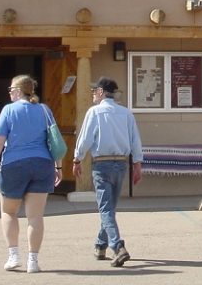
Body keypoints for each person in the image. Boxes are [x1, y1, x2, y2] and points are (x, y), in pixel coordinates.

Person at [0, 74, 63, 273]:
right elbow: (55, 142)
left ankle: (13, 256)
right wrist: (58, 167)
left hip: (14, 164)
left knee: (9, 211)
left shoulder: (9, 110)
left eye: (11, 89)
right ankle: (33, 261)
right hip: (42, 164)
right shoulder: (45, 110)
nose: (10, 93)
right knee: (35, 216)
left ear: (19, 91)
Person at [73, 76, 143, 268]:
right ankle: (100, 245)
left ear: (102, 92)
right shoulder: (126, 113)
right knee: (109, 208)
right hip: (121, 164)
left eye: (95, 91)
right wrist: (137, 163)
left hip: (101, 164)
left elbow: (85, 138)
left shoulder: (94, 112)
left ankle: (117, 246)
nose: (93, 94)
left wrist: (77, 159)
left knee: (105, 209)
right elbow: (135, 139)